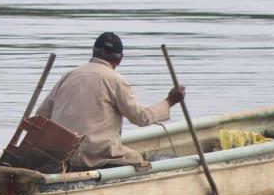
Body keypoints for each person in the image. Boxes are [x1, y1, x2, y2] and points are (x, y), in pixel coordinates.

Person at [36, 32, 185, 170]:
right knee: (139, 161)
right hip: (95, 157)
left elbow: (41, 116)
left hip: (61, 155)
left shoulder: (68, 75)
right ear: (120, 59)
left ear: (93, 52)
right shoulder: (115, 80)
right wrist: (170, 101)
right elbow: (142, 118)